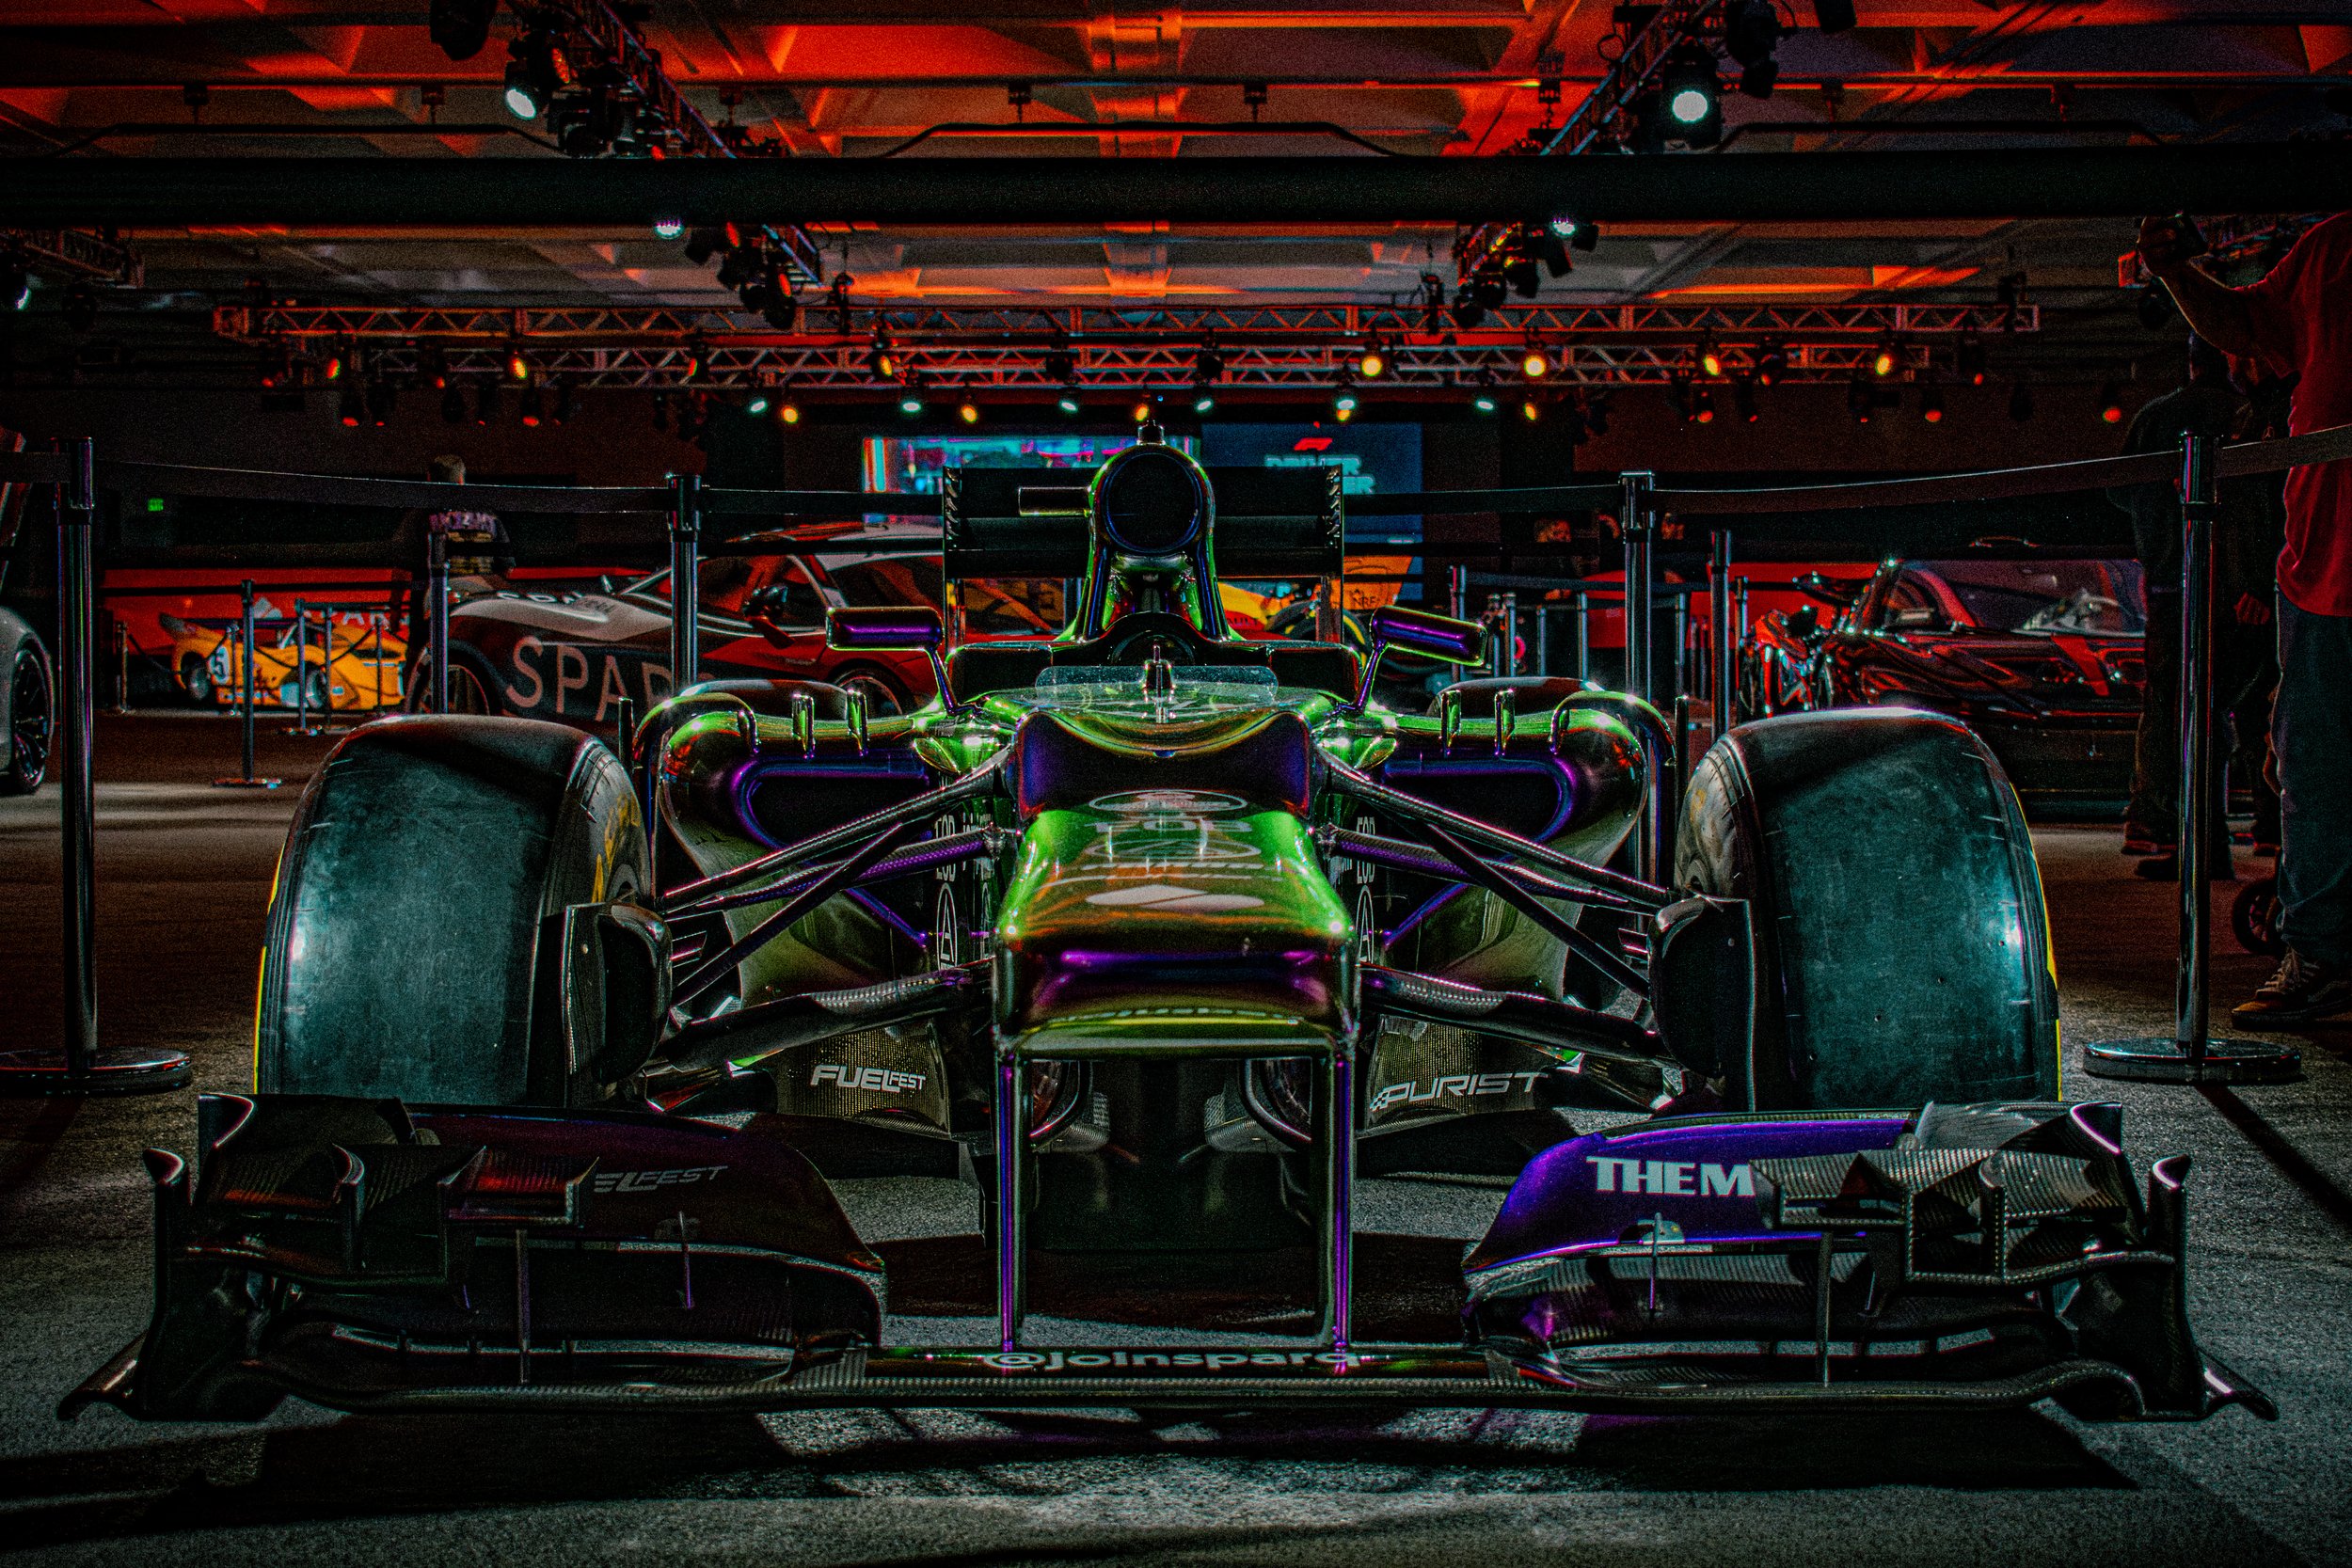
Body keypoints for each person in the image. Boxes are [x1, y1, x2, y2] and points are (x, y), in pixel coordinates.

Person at [2137, 212, 2352, 1024]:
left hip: (2315, 567)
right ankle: (2324, 955)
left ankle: (2325, 952)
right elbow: (2249, 322)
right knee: (2313, 775)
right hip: (2323, 568)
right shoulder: (2332, 246)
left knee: (2311, 771)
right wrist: (2176, 272)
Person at [2106, 335, 2281, 877]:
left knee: (2179, 705)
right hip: (2237, 586)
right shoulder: (2249, 416)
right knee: (2250, 708)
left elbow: (2120, 487)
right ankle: (2269, 824)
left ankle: (2166, 827)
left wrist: (2157, 531)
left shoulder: (2163, 416)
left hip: (2178, 580)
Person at [389, 454, 511, 698]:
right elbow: (505, 568)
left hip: (432, 611)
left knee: (418, 664)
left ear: (429, 480)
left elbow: (402, 571)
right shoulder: (490, 518)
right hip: (480, 608)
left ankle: (417, 722)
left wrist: (394, 613)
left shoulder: (419, 518)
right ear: (461, 480)